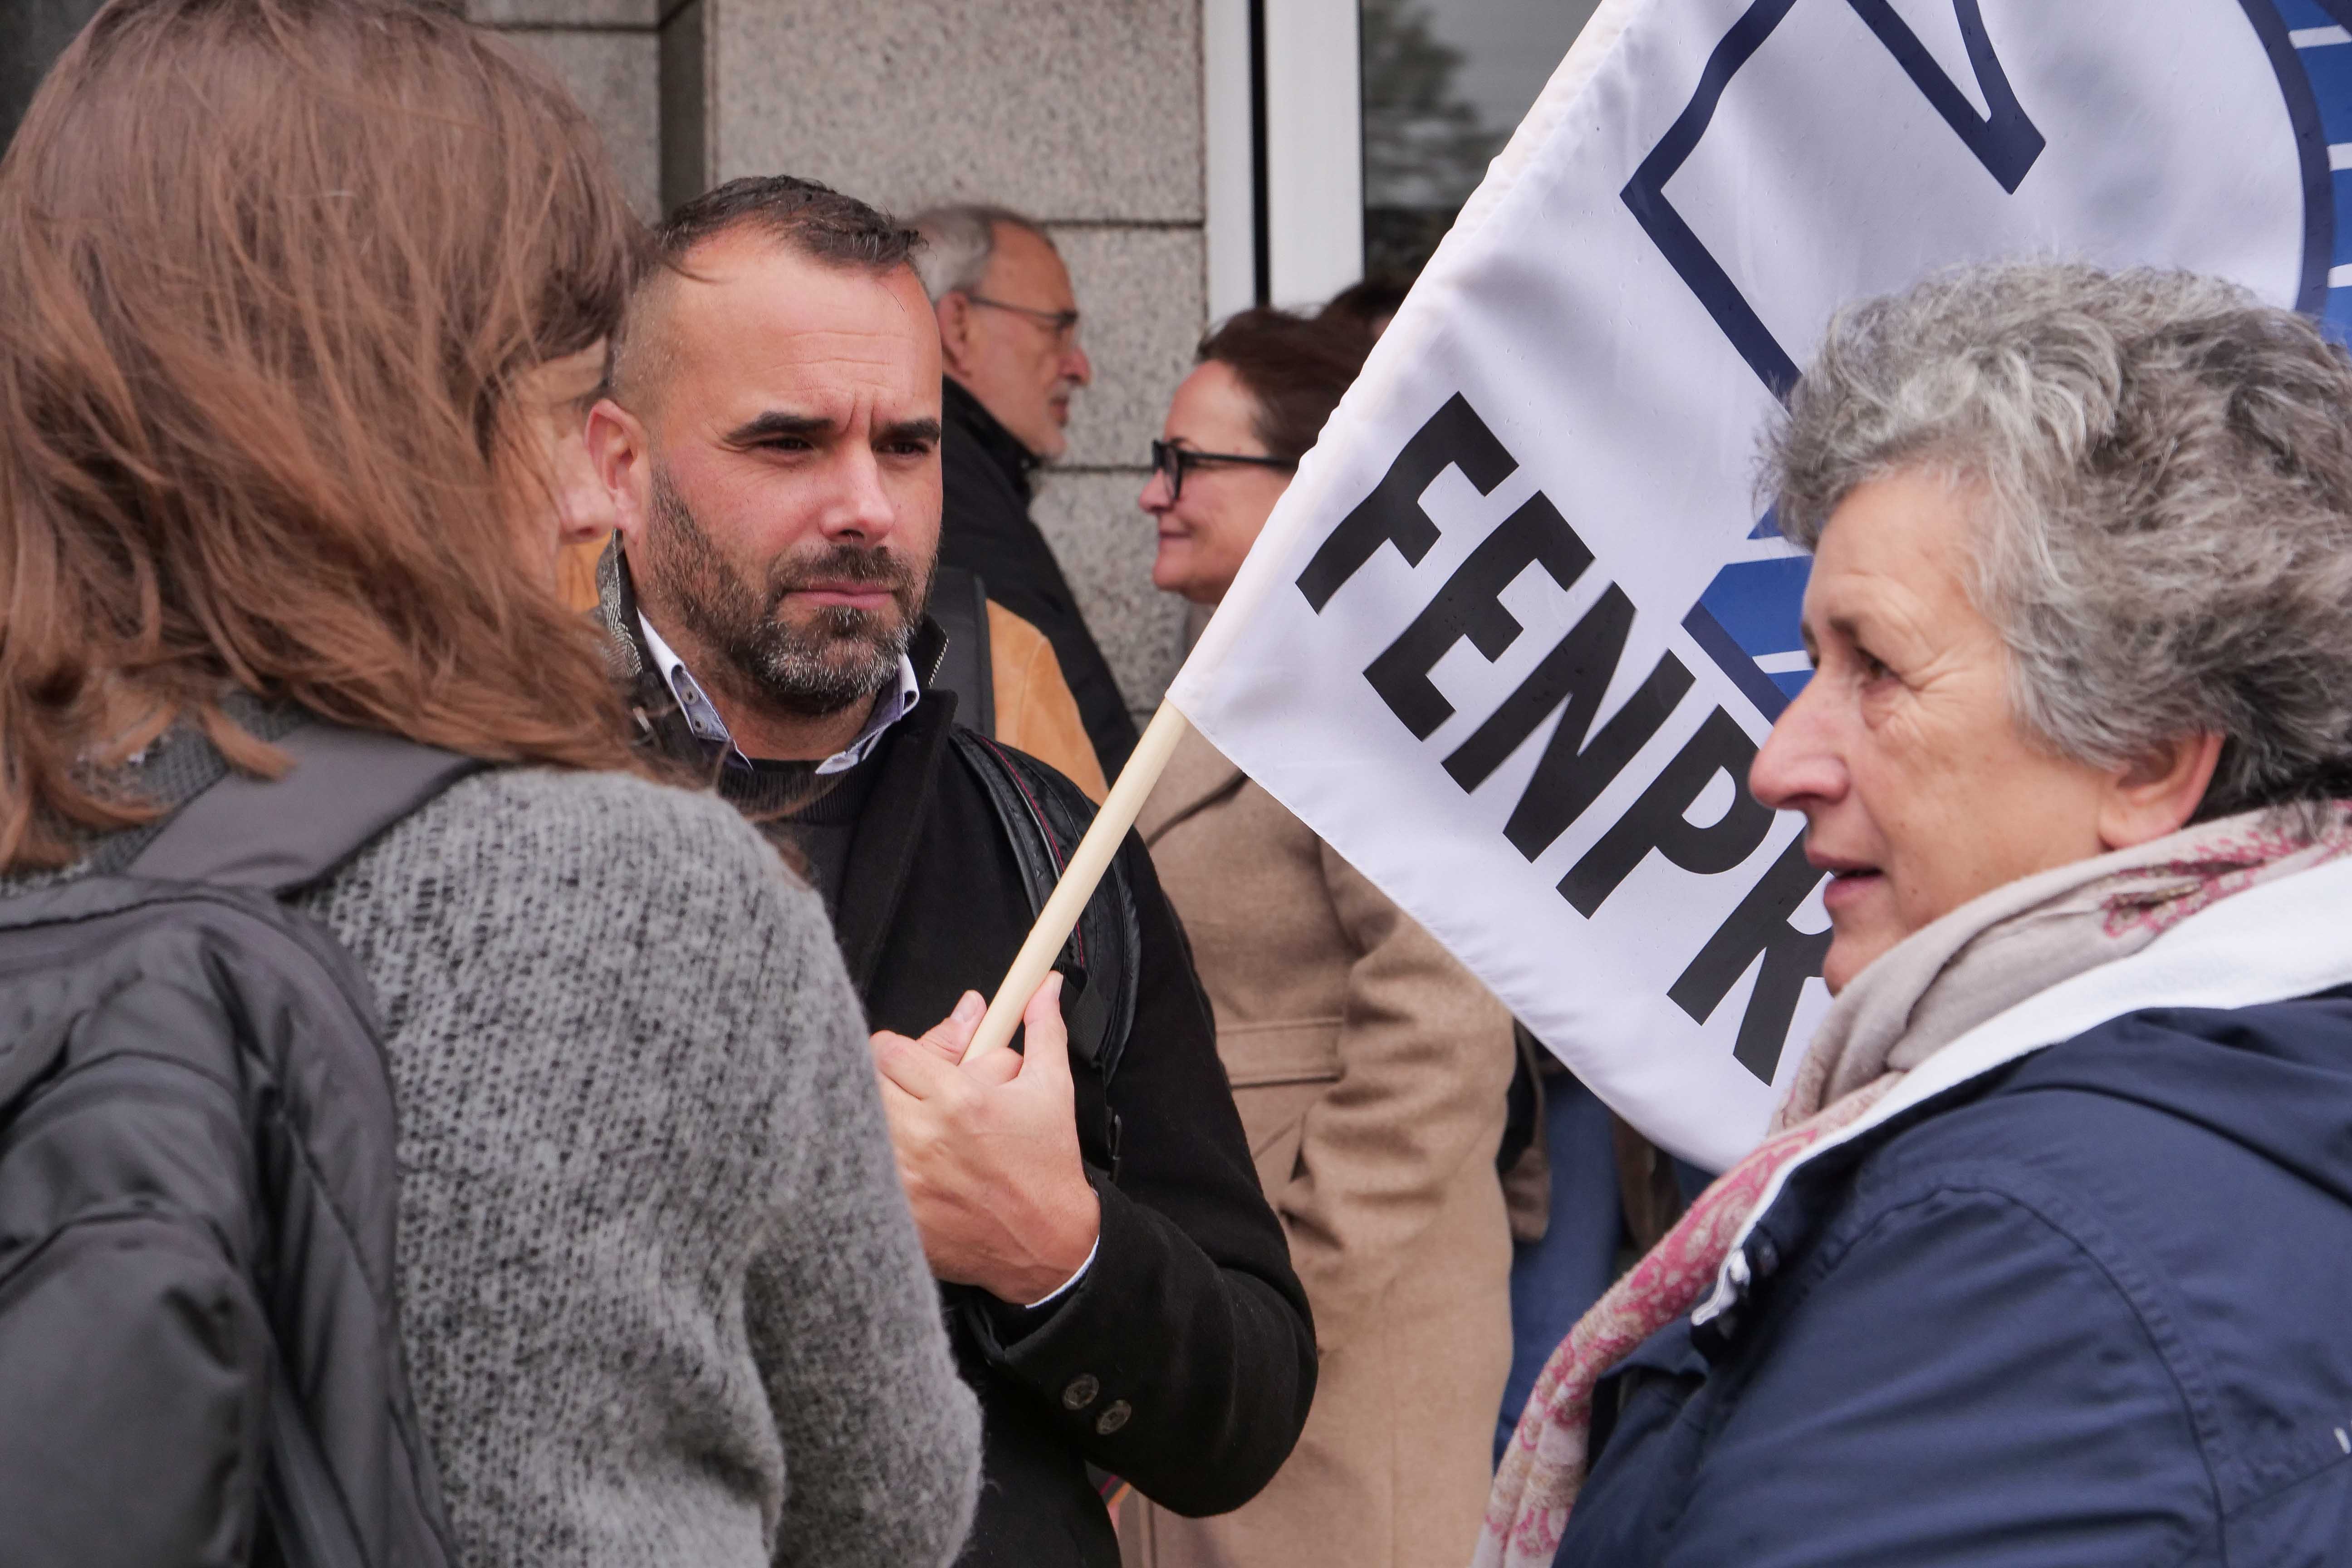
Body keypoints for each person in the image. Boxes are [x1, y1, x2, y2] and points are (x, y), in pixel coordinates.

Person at [0, 4, 981, 1564]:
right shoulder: (652, 895)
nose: (605, 492)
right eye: (559, 409)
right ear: (384, 431)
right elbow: (887, 1512)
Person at [1485, 262, 2352, 1568]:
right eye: (1811, 663)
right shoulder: (2272, 1077)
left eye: (1876, 668)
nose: (1779, 762)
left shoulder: (2016, 1259)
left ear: (2146, 757)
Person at [582, 175, 1317, 1568]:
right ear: (620, 467)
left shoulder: (1053, 851)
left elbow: (1248, 1405)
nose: (865, 507)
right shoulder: (482, 828)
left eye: (908, 447)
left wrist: (1055, 1251)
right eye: (790, 442)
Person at [1126, 307, 1519, 1568]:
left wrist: (1287, 1303)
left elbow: (1446, 1026)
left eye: (1188, 462)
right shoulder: (1251, 677)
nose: (1152, 493)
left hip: (1342, 1339)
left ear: (1314, 480)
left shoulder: (1377, 694)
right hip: (1240, 1311)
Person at [911, 202, 1142, 777]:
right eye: (1056, 329)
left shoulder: (966, 470)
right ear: (958, 327)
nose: (1080, 367)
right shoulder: (947, 483)